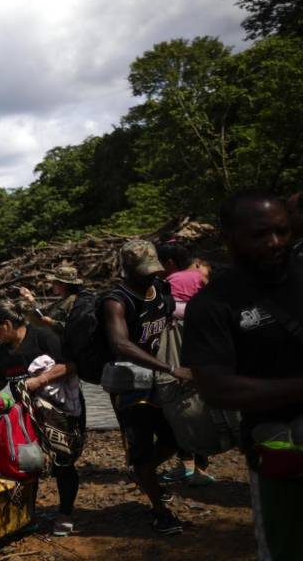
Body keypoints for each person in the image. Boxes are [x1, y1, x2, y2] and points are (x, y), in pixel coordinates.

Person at [183, 192, 303, 560]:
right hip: (282, 452)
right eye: (259, 234)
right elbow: (216, 387)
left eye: (282, 231)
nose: (274, 243)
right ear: (228, 237)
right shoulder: (213, 304)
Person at [99, 240, 191, 535]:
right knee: (140, 447)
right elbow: (120, 344)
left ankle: (144, 472)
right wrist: (169, 368)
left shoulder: (161, 290)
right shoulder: (116, 300)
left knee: (175, 440)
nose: (151, 275)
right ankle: (160, 512)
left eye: (154, 270)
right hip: (131, 384)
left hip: (161, 379)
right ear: (127, 269)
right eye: (144, 271)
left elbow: (171, 323)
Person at [0, 302, 84, 537]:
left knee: (63, 461)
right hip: (25, 414)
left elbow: (71, 364)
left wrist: (40, 380)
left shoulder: (43, 337)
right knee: (26, 460)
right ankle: (28, 513)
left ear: (8, 324)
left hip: (58, 411)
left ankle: (65, 515)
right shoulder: (1, 349)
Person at [156, 242, 215, 485]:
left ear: (169, 263)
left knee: (178, 403)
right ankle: (199, 464)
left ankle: (189, 464)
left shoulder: (167, 284)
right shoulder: (200, 277)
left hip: (174, 346)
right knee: (200, 401)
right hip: (203, 344)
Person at [18, 265, 84, 335]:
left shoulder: (74, 302)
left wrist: (52, 323)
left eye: (55, 282)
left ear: (63, 284)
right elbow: (44, 312)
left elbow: (74, 327)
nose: (52, 284)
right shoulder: (63, 300)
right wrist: (31, 299)